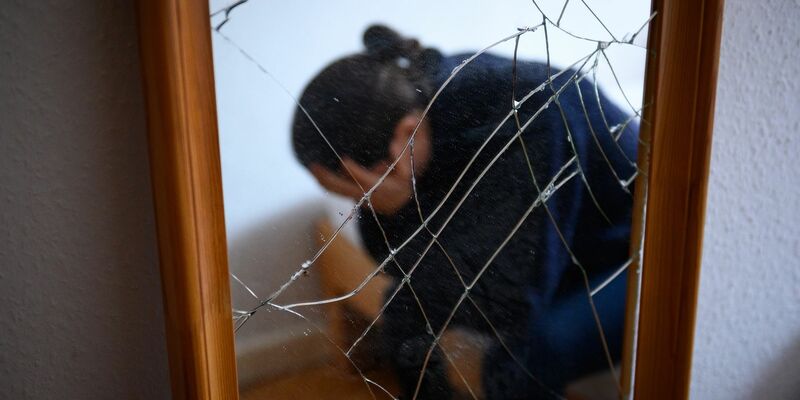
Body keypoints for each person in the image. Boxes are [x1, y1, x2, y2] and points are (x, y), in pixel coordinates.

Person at [292, 24, 638, 399]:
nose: (358, 205)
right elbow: (396, 268)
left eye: (358, 192)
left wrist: (397, 207)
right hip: (554, 244)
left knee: (538, 349)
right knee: (402, 318)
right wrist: (393, 208)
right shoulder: (413, 107)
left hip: (627, 246)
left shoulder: (527, 113)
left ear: (406, 135)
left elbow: (506, 302)